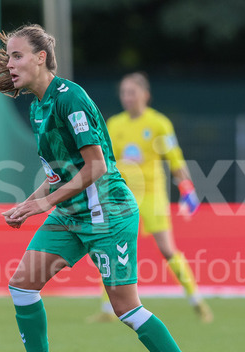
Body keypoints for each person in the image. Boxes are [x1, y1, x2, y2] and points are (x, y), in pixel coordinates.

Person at [0, 24, 216, 352]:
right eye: (9, 57)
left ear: (41, 58)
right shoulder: (38, 108)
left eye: (17, 56)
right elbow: (59, 173)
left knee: (126, 308)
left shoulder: (71, 98)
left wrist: (44, 203)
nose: (9, 64)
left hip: (109, 213)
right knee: (22, 285)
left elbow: (97, 166)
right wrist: (29, 203)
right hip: (71, 214)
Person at [88, 72, 213, 324]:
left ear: (145, 95)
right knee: (110, 248)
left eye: (132, 92)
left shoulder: (158, 124)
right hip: (122, 195)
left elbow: (174, 158)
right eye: (124, 93)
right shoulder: (114, 124)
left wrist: (187, 188)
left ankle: (197, 300)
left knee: (167, 249)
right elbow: (105, 160)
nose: (127, 97)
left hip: (153, 195)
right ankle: (107, 308)